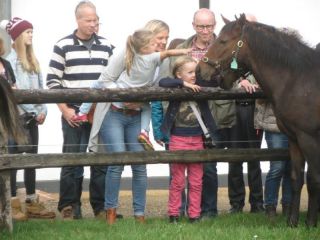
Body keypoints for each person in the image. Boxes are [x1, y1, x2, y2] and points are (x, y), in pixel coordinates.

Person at [86, 24, 190, 225]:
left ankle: (139, 214)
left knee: (140, 164)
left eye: (165, 38)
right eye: (158, 38)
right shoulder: (125, 54)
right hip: (114, 113)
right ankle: (110, 211)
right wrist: (123, 95)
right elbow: (105, 79)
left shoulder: (159, 61)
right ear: (148, 41)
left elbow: (154, 88)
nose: (162, 42)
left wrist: (141, 100)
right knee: (117, 161)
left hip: (137, 114)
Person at [156, 8, 235, 219]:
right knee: (178, 172)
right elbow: (164, 80)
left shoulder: (224, 47)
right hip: (181, 118)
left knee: (207, 169)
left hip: (212, 114)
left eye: (209, 25)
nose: (205, 30)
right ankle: (178, 211)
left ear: (214, 26)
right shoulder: (180, 49)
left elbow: (230, 76)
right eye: (200, 26)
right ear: (193, 26)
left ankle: (207, 211)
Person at [46, 1, 114, 219]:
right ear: (78, 20)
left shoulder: (107, 45)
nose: (93, 24)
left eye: (96, 20)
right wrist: (65, 111)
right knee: (72, 160)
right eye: (89, 20)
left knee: (100, 162)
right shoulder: (63, 45)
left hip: (100, 113)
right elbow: (52, 82)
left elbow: (114, 78)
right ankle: (69, 206)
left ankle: (100, 207)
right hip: (73, 113)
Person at [73, 29, 189, 151]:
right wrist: (184, 51)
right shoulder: (146, 57)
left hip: (130, 97)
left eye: (166, 38)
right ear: (144, 47)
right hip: (121, 103)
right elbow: (168, 53)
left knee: (95, 86)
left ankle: (82, 112)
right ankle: (144, 131)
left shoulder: (141, 55)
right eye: (156, 41)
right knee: (146, 109)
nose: (161, 43)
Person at [1, 17, 55, 220]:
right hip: (19, 118)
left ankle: (32, 200)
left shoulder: (34, 61)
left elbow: (41, 89)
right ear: (16, 36)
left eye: (32, 32)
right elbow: (16, 93)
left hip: (33, 118)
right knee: (15, 160)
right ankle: (13, 201)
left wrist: (43, 111)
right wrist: (33, 109)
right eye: (27, 32)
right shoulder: (11, 62)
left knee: (31, 160)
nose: (31, 35)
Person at [159, 55, 218, 223]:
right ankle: (174, 214)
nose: (194, 75)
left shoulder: (200, 85)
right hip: (177, 139)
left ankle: (194, 215)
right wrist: (182, 84)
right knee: (177, 181)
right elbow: (163, 82)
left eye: (195, 71)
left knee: (196, 181)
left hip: (197, 139)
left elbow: (217, 82)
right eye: (190, 72)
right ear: (179, 74)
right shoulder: (174, 87)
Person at [227, 14, 264, 214]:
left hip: (254, 109)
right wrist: (238, 82)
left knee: (254, 157)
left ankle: (257, 204)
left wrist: (261, 84)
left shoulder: (264, 51)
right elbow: (222, 75)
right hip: (234, 109)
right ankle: (236, 204)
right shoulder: (233, 49)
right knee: (234, 158)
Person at [254, 97, 291, 218]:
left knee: (291, 168)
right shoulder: (270, 77)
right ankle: (270, 205)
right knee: (277, 167)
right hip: (274, 126)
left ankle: (288, 204)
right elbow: (260, 99)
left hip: (294, 125)